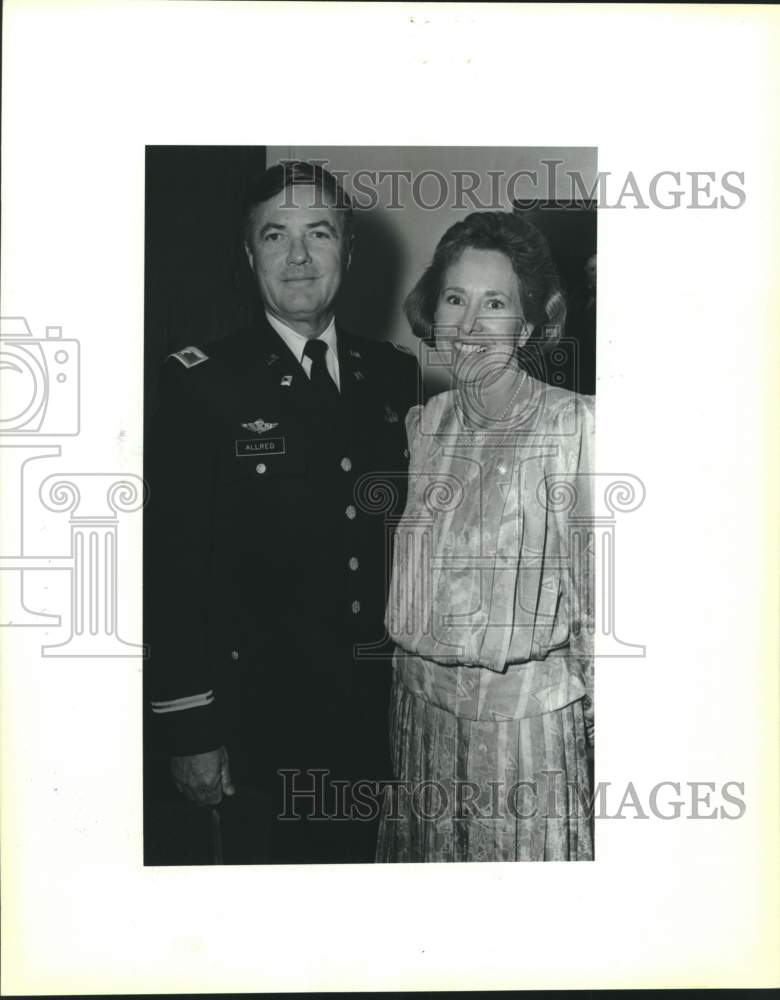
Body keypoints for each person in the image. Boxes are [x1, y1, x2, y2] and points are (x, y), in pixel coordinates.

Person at [145, 161, 420, 864]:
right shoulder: (198, 383)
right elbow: (171, 571)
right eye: (275, 236)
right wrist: (190, 730)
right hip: (257, 728)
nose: (298, 256)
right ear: (249, 254)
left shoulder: (391, 374)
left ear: (348, 252)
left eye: (319, 233)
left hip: (378, 721)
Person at [376, 211, 595, 863]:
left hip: (525, 731)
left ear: (528, 324)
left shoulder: (574, 425)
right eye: (455, 299)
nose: (469, 326)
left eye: (494, 303)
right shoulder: (426, 423)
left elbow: (601, 607)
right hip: (420, 717)